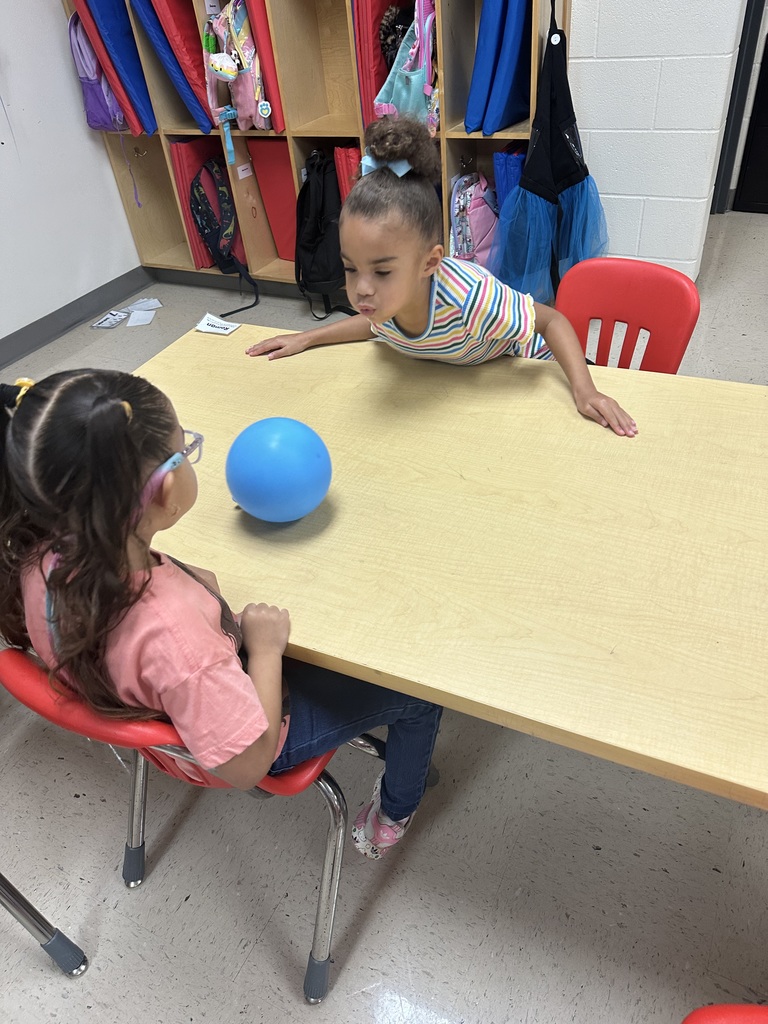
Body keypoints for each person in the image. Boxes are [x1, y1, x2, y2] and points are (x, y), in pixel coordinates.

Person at [0, 372, 442, 859]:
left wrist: (185, 582)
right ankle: (393, 813)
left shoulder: (37, 556)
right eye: (184, 450)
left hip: (159, 714)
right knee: (420, 692)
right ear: (167, 488)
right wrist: (267, 652)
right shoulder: (175, 638)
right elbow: (250, 766)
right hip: (243, 743)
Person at [247, 118, 637, 438]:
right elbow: (372, 324)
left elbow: (552, 322)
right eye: (350, 268)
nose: (362, 289)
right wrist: (306, 338)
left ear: (430, 262)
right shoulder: (386, 302)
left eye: (382, 271)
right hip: (459, 390)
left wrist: (586, 391)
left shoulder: (472, 298)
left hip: (528, 372)